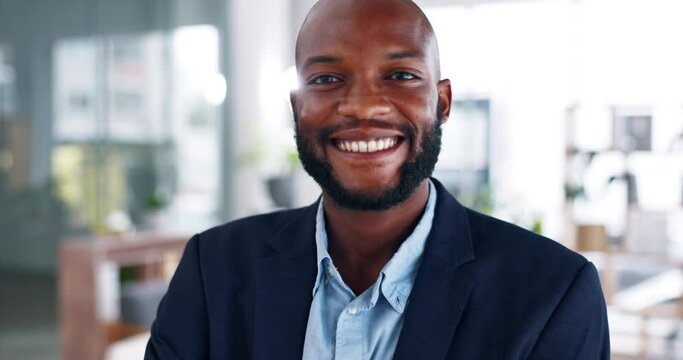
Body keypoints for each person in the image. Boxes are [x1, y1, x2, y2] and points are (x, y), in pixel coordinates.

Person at [145, 0, 610, 358]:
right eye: (327, 79)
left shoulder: (552, 294)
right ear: (296, 107)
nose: (364, 107)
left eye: (401, 75)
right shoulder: (213, 271)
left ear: (442, 103)